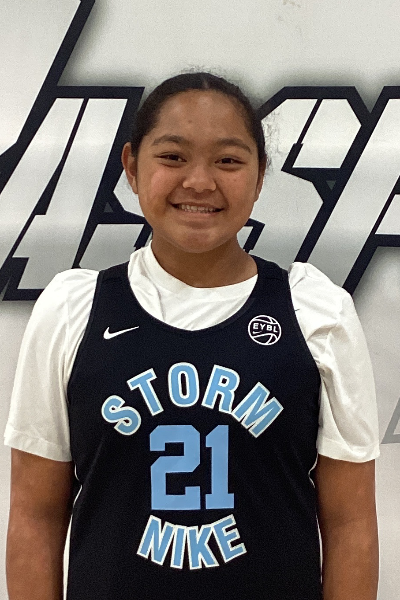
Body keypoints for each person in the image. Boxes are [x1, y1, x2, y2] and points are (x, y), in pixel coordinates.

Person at [5, 72, 380, 600]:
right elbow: (35, 516)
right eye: (173, 157)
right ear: (132, 167)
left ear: (260, 176)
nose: (200, 181)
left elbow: (350, 524)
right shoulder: (73, 310)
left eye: (228, 160)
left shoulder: (317, 312)